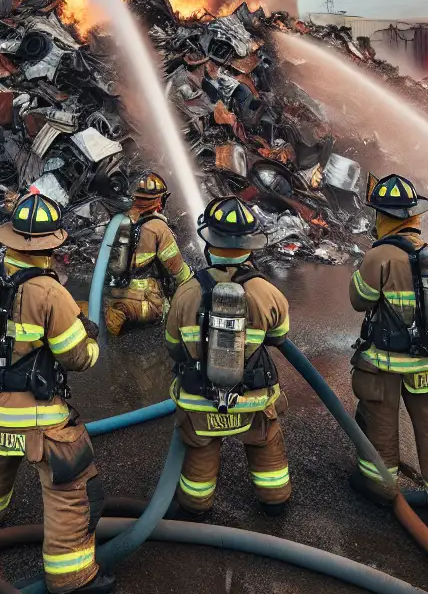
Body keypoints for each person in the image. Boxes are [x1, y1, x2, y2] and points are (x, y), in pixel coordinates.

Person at [0, 192, 111, 594]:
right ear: (52, 245)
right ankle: (72, 578)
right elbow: (76, 357)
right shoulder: (49, 292)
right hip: (31, 417)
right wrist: (92, 344)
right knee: (71, 479)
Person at [164, 196, 293, 518]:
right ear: (250, 247)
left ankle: (196, 507)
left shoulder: (187, 292)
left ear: (209, 243)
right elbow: (279, 337)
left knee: (200, 450)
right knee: (265, 443)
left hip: (201, 400)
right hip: (253, 397)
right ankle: (275, 500)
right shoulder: (267, 292)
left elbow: (173, 346)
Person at [347, 174, 428, 521]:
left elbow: (359, 300)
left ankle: (380, 488)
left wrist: (364, 268)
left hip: (386, 363)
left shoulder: (380, 255)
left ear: (384, 216)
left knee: (379, 424)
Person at [102, 172, 193, 336]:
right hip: (143, 303)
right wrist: (192, 283)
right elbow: (176, 267)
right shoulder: (157, 227)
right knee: (168, 308)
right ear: (158, 200)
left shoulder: (118, 220)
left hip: (111, 298)